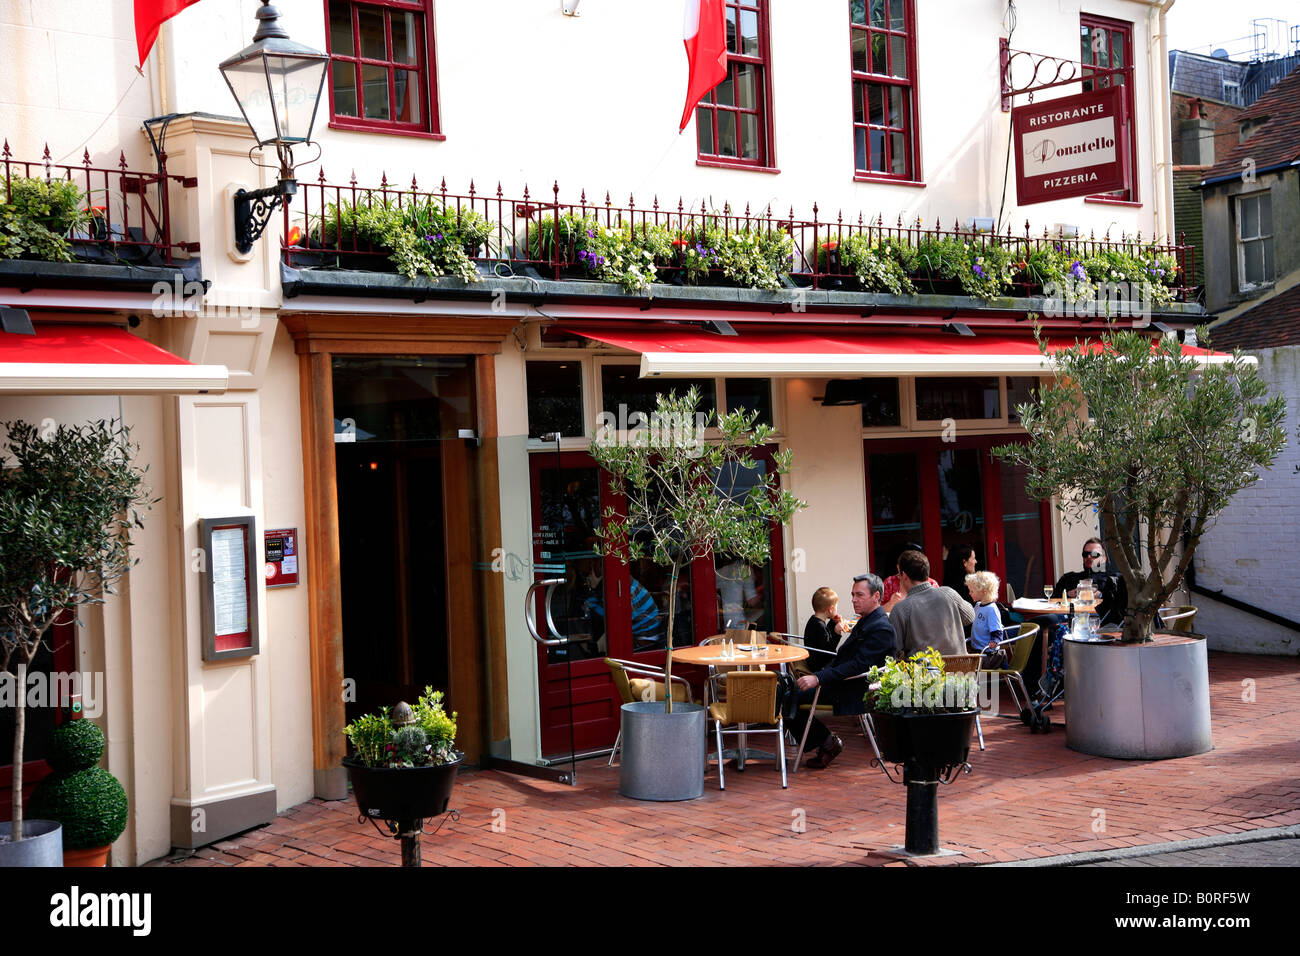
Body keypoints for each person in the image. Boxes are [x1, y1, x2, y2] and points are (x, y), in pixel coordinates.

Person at [791, 573, 895, 769]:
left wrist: (818, 678)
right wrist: (820, 675)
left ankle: (827, 743)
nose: (854, 600)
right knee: (786, 694)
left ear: (876, 596)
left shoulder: (881, 628)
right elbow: (842, 659)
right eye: (853, 595)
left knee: (789, 698)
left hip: (855, 690)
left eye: (860, 595)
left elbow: (857, 666)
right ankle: (826, 742)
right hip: (844, 682)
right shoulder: (866, 621)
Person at [889, 549, 974, 657]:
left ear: (904, 576)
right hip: (959, 670)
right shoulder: (948, 593)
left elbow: (893, 650)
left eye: (899, 575)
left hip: (924, 672)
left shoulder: (900, 609)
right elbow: (970, 617)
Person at [1051, 537, 1127, 626]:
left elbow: (1122, 606)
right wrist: (1068, 594)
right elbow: (1052, 600)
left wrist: (1101, 595)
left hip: (1100, 623)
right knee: (1043, 621)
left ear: (1104, 558)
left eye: (1094, 554)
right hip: (1068, 619)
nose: (1089, 557)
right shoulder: (1069, 578)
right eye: (1085, 554)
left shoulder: (1115, 579)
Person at [795, 586, 850, 678]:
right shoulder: (819, 626)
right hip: (820, 665)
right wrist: (836, 632)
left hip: (814, 660)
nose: (837, 609)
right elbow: (828, 650)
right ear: (830, 609)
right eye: (836, 606)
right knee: (849, 658)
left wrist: (833, 622)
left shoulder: (814, 621)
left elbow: (824, 637)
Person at [881, 541, 936, 613]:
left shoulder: (931, 583)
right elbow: (878, 613)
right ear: (898, 567)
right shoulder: (889, 582)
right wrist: (891, 603)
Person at [966, 570, 1010, 651]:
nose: (969, 593)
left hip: (987, 652)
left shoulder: (991, 609)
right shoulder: (978, 605)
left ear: (983, 592)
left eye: (972, 591)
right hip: (976, 648)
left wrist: (995, 640)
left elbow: (997, 630)